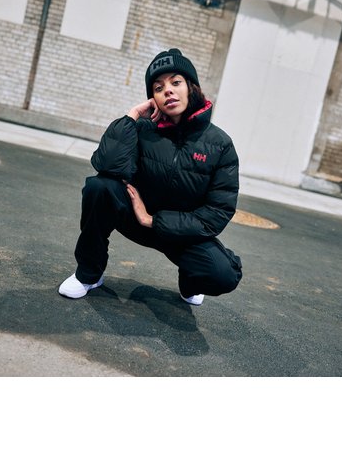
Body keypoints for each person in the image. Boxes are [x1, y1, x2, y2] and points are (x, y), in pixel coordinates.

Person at [58, 48, 242, 305]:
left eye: (176, 82)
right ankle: (89, 274)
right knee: (98, 187)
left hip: (180, 234)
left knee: (223, 274)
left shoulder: (220, 144)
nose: (168, 91)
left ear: (191, 87)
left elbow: (217, 212)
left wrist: (154, 220)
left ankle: (190, 282)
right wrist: (132, 116)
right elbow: (106, 165)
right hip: (134, 218)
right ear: (152, 98)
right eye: (158, 87)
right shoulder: (143, 129)